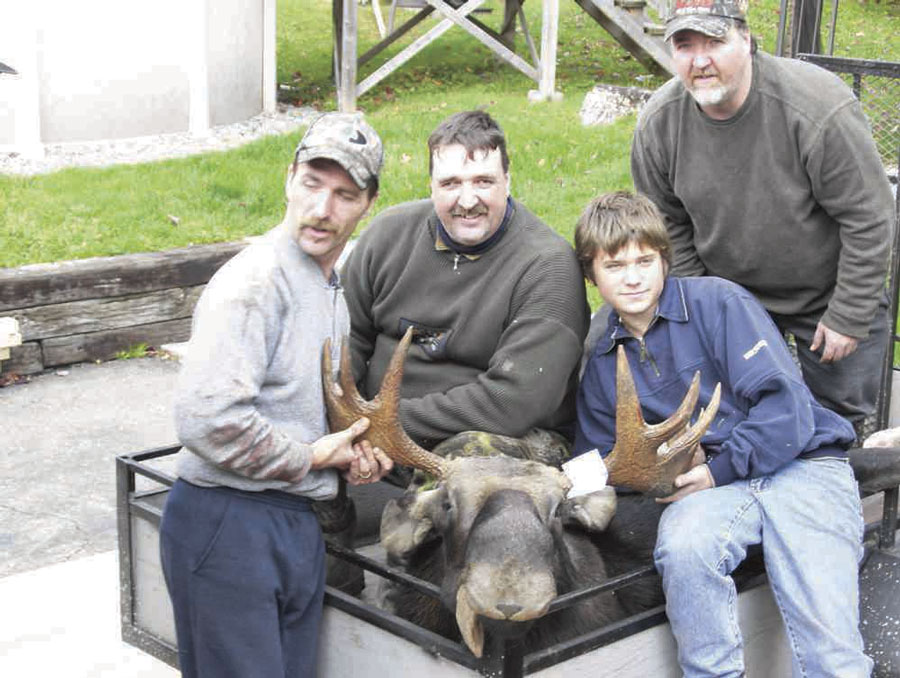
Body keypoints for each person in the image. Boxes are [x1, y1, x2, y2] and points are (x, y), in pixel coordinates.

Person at [574, 191, 871, 677]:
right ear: (591, 275)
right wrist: (556, 482)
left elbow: (786, 408)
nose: (632, 277)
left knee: (829, 648)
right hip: (713, 492)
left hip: (801, 465)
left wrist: (716, 469)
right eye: (615, 265)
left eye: (644, 261)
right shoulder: (603, 361)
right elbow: (600, 461)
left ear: (664, 259)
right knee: (684, 550)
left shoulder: (718, 302)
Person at [159, 113, 394, 678]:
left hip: (292, 520)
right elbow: (206, 418)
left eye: (344, 194)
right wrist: (313, 456)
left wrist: (353, 450)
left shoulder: (326, 283)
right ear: (289, 178)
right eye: (312, 184)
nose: (322, 209)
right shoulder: (256, 283)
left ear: (368, 203)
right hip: (229, 520)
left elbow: (300, 404)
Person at [630, 0, 894, 436]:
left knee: (838, 428)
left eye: (714, 41)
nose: (700, 60)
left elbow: (870, 217)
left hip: (826, 293)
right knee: (741, 424)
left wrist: (849, 313)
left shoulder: (817, 109)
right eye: (684, 45)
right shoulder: (659, 124)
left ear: (746, 40)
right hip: (734, 297)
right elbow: (666, 226)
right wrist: (706, 309)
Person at [342, 109, 589, 454]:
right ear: (431, 185)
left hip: (496, 440)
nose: (468, 201)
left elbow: (512, 402)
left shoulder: (548, 266)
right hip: (369, 430)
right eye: (451, 183)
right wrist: (343, 416)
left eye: (483, 181)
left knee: (476, 460)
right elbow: (344, 335)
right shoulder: (387, 235)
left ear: (508, 180)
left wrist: (382, 424)